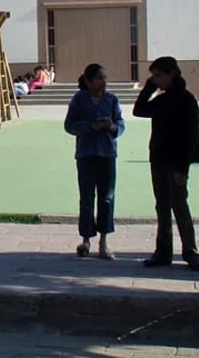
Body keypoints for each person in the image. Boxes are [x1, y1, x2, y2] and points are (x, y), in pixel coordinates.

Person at [133, 56, 199, 271]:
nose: (156, 80)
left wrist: (183, 168)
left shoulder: (186, 100)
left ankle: (191, 252)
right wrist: (148, 88)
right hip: (158, 159)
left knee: (179, 206)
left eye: (158, 76)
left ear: (171, 73)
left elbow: (191, 137)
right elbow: (139, 110)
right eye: (153, 76)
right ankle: (163, 251)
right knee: (162, 206)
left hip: (176, 162)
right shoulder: (161, 99)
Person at [64, 63, 125, 260]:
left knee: (107, 198)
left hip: (107, 154)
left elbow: (121, 123)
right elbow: (69, 125)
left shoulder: (111, 99)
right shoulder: (79, 99)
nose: (104, 82)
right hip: (86, 154)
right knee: (87, 198)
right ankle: (86, 240)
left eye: (105, 78)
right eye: (99, 78)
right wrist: (90, 126)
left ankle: (104, 242)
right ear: (89, 81)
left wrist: (112, 127)